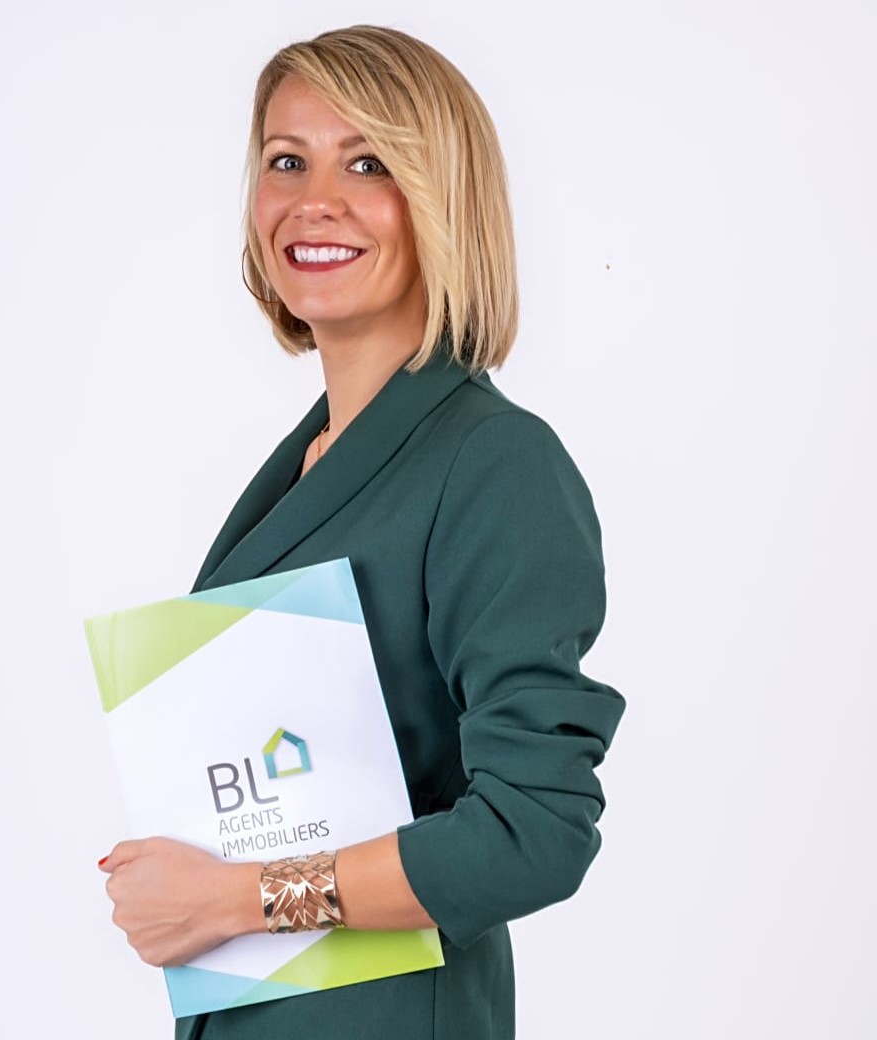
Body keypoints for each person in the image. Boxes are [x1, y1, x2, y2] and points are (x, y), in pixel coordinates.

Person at [98, 25, 625, 1040]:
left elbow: (535, 829)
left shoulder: (492, 462)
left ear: (444, 202)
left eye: (369, 163)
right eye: (286, 160)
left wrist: (234, 897)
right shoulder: (313, 458)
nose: (315, 200)